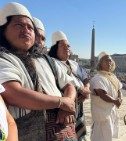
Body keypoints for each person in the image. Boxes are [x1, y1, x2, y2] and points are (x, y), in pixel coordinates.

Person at [0, 2, 77, 140]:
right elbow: (13, 93)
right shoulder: (4, 60)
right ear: (3, 30)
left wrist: (68, 104)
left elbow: (69, 84)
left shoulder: (48, 61)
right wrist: (61, 102)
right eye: (19, 25)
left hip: (64, 131)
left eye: (30, 27)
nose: (26, 30)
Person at [48, 31, 91, 141]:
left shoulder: (74, 64)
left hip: (78, 105)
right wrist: (81, 89)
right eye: (62, 45)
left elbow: (86, 77)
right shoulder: (52, 63)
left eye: (68, 46)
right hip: (63, 107)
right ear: (54, 48)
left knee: (80, 135)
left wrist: (86, 88)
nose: (67, 48)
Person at [90, 52, 123, 141]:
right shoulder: (97, 78)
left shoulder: (113, 77)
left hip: (111, 111)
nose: (109, 62)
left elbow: (119, 89)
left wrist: (120, 98)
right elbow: (102, 94)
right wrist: (115, 101)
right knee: (100, 137)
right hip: (102, 114)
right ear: (100, 63)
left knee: (108, 136)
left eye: (110, 60)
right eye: (106, 60)